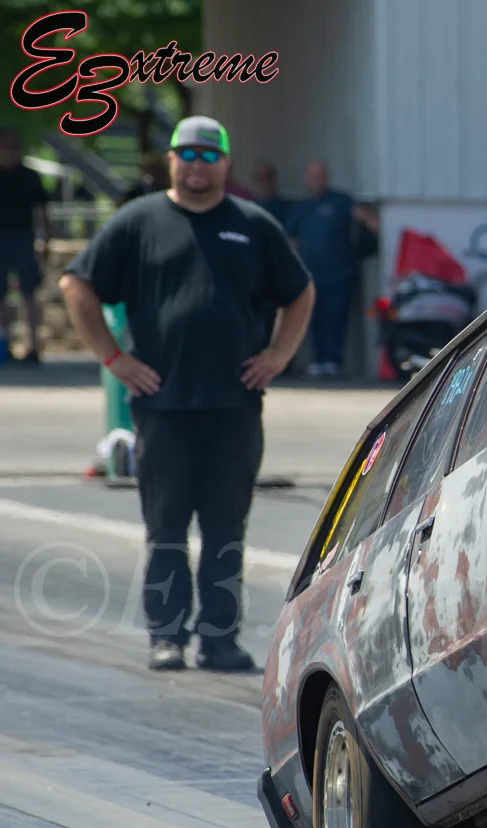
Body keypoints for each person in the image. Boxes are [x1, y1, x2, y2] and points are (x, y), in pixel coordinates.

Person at [59, 116, 314, 672]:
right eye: (188, 154)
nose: (198, 165)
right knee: (166, 528)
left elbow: (300, 292)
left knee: (226, 528)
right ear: (171, 160)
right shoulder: (138, 222)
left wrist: (278, 355)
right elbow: (76, 284)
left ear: (225, 163)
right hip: (163, 406)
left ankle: (219, 639)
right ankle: (166, 636)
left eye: (209, 155)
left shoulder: (253, 225)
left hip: (234, 405)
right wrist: (115, 359)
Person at [286, 159, 376, 375]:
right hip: (310, 274)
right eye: (313, 175)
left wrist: (373, 223)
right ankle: (319, 360)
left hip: (338, 273)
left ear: (327, 177)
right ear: (307, 179)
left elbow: (366, 219)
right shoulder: (302, 208)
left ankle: (333, 361)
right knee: (313, 317)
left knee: (335, 317)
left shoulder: (340, 201)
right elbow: (290, 237)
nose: (317, 179)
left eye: (321, 175)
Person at [0, 127, 49, 364]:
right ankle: (4, 344)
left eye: (15, 146)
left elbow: (42, 211)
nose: (11, 150)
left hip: (23, 239)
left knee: (29, 294)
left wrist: (45, 241)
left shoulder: (30, 177)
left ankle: (33, 346)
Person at [250, 159, 293, 224]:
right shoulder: (248, 207)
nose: (264, 182)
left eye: (268, 177)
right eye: (260, 178)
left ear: (274, 179)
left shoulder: (286, 208)